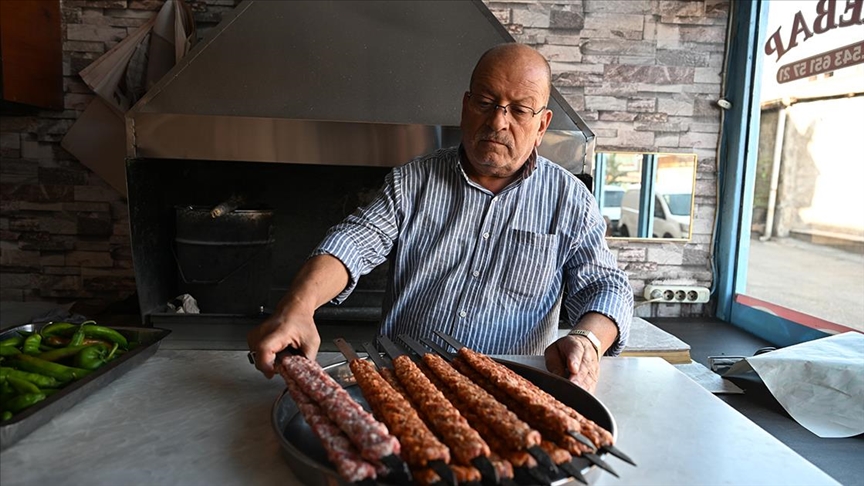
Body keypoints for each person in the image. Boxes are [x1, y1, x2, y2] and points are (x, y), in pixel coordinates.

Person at [248, 43, 633, 392]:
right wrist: (298, 306)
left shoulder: (569, 199)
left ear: (542, 125)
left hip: (511, 394)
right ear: (466, 106)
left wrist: (587, 339)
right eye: (486, 101)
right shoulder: (413, 180)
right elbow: (353, 241)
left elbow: (607, 286)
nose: (498, 122)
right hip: (402, 384)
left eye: (519, 110)